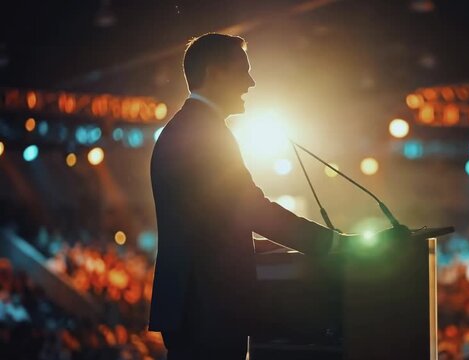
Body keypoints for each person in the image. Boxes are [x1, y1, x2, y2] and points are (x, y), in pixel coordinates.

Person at [148, 32, 407, 359]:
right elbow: (251, 209)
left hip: (198, 304)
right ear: (215, 73)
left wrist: (268, 246)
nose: (251, 82)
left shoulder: (190, 128)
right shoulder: (204, 133)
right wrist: (334, 243)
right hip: (208, 306)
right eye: (244, 70)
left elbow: (211, 224)